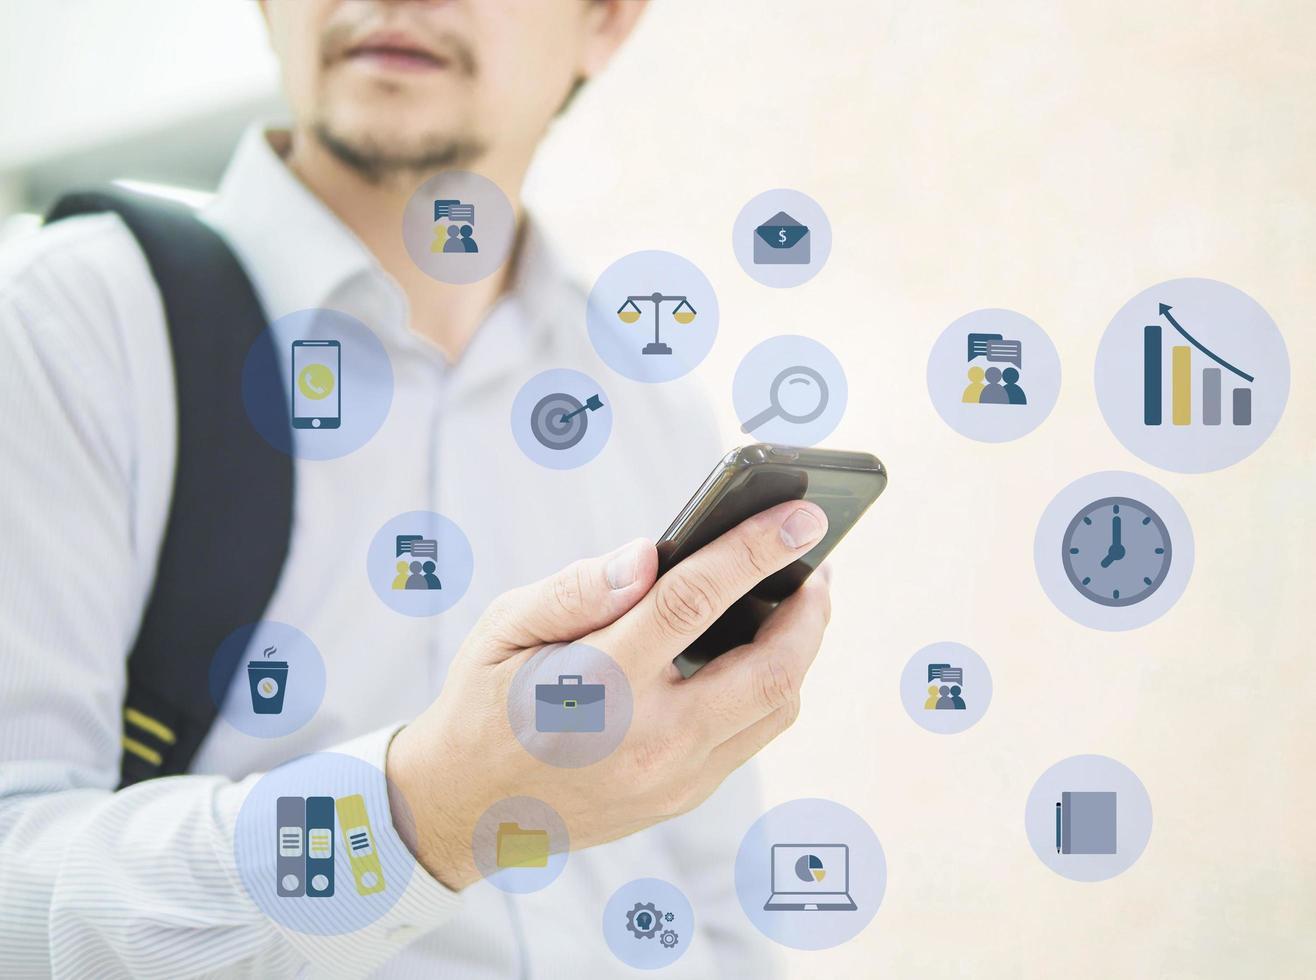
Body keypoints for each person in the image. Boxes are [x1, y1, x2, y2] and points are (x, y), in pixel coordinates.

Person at [0, 2, 830, 976]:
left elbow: (709, 890)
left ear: (604, 20)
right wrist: (417, 816)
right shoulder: (60, 330)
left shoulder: (647, 400)